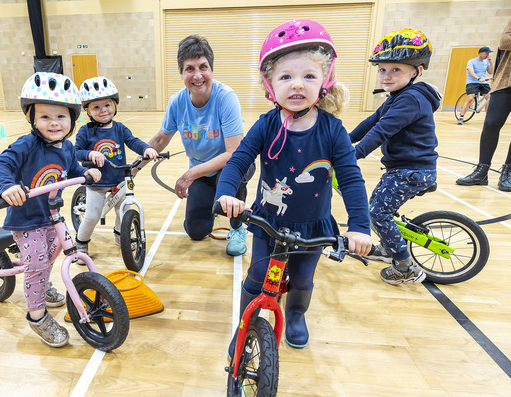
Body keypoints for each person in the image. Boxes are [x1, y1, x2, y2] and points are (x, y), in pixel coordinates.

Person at [215, 19, 372, 352]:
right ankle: (245, 324)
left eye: (309, 76)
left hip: (313, 226)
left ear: (324, 82)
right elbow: (239, 159)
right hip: (267, 223)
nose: (297, 84)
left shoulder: (333, 130)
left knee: (302, 279)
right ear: (269, 84)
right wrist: (226, 192)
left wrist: (360, 227)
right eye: (286, 76)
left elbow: (351, 178)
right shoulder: (266, 124)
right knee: (257, 279)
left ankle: (296, 313)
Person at [0, 72, 102, 347]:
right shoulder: (26, 145)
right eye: (45, 117)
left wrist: (86, 172)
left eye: (61, 117)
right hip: (26, 219)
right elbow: (0, 166)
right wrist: (6, 187)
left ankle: (42, 284)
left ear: (72, 120)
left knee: (51, 255)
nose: (54, 123)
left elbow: (70, 168)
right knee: (39, 262)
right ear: (32, 119)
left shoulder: (66, 146)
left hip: (51, 215)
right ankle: (37, 316)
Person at [135, 35, 255, 256]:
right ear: (181, 73)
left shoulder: (226, 98)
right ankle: (215, 204)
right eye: (190, 68)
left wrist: (190, 174)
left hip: (232, 165)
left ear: (211, 69)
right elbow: (161, 138)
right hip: (202, 171)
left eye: (203, 67)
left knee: (232, 174)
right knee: (196, 231)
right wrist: (133, 168)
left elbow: (233, 153)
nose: (197, 75)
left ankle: (237, 227)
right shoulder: (177, 102)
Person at [349, 29, 441, 285]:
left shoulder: (411, 99)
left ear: (417, 71)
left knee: (378, 213)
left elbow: (380, 131)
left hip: (411, 171)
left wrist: (350, 157)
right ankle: (390, 248)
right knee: (374, 209)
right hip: (401, 168)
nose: (386, 76)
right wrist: (343, 142)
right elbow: (370, 122)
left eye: (395, 70)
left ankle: (404, 265)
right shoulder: (396, 97)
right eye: (382, 70)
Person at [74, 76, 158, 256]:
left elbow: (133, 141)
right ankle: (80, 244)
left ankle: (122, 235)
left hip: (120, 179)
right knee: (92, 216)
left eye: (107, 105)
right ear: (87, 110)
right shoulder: (86, 131)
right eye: (96, 107)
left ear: (114, 105)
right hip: (96, 183)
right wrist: (90, 154)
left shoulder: (120, 128)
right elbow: (76, 152)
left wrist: (147, 149)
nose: (103, 110)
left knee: (125, 210)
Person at [455, 19, 511, 190]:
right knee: (491, 123)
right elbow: (504, 42)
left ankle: (508, 173)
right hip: (505, 81)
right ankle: (481, 171)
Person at [456, 46, 494, 125]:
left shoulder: (486, 62)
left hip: (483, 83)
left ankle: (488, 118)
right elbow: (471, 72)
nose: (488, 55)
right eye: (486, 53)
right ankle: (461, 117)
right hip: (472, 82)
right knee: (470, 97)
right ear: (481, 53)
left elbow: (490, 72)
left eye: (488, 53)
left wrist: (491, 63)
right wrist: (478, 78)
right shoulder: (471, 61)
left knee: (489, 98)